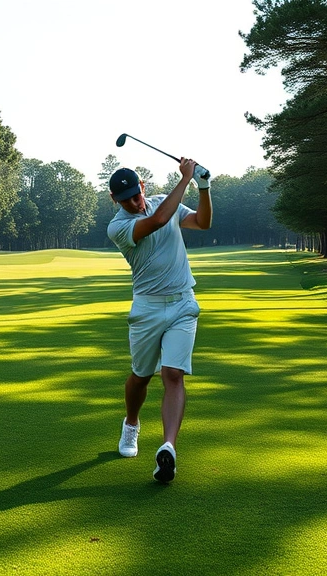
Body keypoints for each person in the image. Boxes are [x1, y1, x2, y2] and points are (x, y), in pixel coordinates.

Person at [106, 159, 212, 483]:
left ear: (143, 187)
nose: (133, 203)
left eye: (135, 195)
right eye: (125, 200)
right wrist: (186, 179)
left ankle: (168, 447)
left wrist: (203, 187)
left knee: (173, 374)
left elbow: (202, 222)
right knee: (140, 377)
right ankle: (131, 425)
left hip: (182, 303)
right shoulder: (118, 227)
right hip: (147, 309)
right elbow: (157, 221)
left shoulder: (163, 202)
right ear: (116, 201)